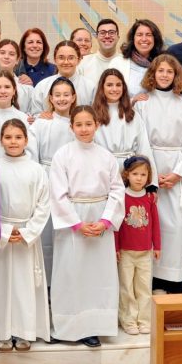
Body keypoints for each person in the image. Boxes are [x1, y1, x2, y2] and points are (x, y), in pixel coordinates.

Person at [49, 105, 125, 348]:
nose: (84, 129)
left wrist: (105, 221)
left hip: (100, 218)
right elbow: (57, 193)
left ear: (97, 125)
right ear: (71, 127)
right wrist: (77, 224)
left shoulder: (106, 156)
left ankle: (94, 326)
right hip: (73, 220)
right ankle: (67, 326)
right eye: (79, 124)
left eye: (88, 124)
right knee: (70, 273)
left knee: (98, 275)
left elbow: (117, 190)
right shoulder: (62, 155)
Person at [0, 119, 51, 351]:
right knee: (0, 286)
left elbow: (44, 204)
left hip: (26, 236)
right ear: (0, 140)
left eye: (18, 137)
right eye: (8, 137)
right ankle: (1, 332)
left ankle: (24, 332)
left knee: (24, 286)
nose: (13, 142)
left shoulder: (36, 170)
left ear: (26, 140)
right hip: (0, 235)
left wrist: (28, 231)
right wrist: (3, 231)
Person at [133, 54, 182, 294]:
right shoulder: (143, 103)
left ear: (176, 75)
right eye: (160, 71)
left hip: (176, 167)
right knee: (151, 223)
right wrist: (151, 175)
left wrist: (178, 173)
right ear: (153, 73)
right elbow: (140, 139)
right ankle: (152, 277)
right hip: (151, 166)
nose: (165, 75)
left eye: (170, 71)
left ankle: (174, 278)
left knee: (176, 225)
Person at [31, 77, 78, 280]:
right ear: (50, 98)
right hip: (47, 176)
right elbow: (32, 153)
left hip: (72, 181)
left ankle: (67, 279)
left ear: (73, 97)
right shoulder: (41, 123)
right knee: (47, 230)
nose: (62, 99)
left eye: (66, 95)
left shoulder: (78, 123)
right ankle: (47, 281)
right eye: (57, 95)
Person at [116, 156, 160, 334]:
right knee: (126, 288)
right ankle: (128, 320)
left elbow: (155, 223)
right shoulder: (121, 197)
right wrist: (116, 248)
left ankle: (144, 320)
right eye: (135, 174)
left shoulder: (150, 198)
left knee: (144, 288)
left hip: (145, 252)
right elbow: (116, 226)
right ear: (127, 174)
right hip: (126, 252)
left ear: (148, 177)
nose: (139, 178)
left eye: (143, 174)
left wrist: (157, 246)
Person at [92, 69, 155, 168]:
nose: (114, 89)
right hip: (103, 166)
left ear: (123, 87)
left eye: (118, 85)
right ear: (102, 87)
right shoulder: (93, 114)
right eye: (109, 85)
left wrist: (148, 172)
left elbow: (143, 146)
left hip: (129, 168)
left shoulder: (132, 114)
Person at [29, 40, 94, 115]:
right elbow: (35, 115)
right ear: (55, 60)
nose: (66, 62)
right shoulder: (42, 87)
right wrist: (41, 116)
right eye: (61, 58)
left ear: (78, 60)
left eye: (71, 58)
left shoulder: (89, 87)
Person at [78, 18, 130, 88]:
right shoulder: (83, 63)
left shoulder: (127, 62)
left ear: (118, 37)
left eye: (111, 32)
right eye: (102, 33)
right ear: (97, 37)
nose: (107, 36)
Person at [122, 19, 164, 98]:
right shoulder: (119, 62)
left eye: (148, 35)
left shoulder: (164, 63)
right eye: (139, 35)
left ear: (155, 39)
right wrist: (133, 100)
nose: (144, 39)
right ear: (133, 38)